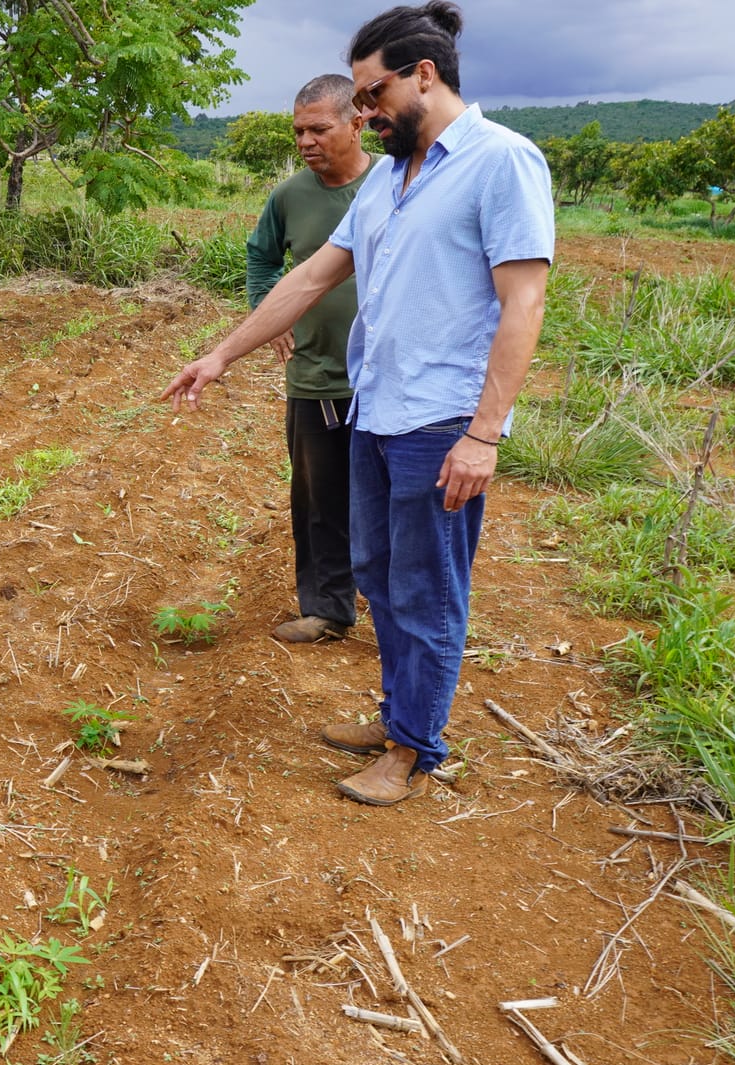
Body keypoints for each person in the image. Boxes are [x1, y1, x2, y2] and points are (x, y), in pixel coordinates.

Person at [161, 0, 552, 806]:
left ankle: (413, 749)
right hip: (376, 406)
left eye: (374, 96)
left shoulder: (501, 161)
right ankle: (398, 714)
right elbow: (310, 276)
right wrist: (223, 354)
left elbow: (524, 303)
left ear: (424, 75)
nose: (365, 112)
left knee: (425, 587)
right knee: (376, 570)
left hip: (441, 420)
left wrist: (483, 435)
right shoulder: (389, 180)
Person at [246, 74, 383, 645]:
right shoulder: (289, 196)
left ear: (357, 122)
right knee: (320, 500)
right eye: (299, 131)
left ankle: (401, 613)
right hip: (317, 375)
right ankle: (328, 610)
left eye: (319, 129)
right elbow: (261, 258)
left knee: (396, 501)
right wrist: (269, 314)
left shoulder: (395, 183)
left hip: (390, 378)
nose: (306, 141)